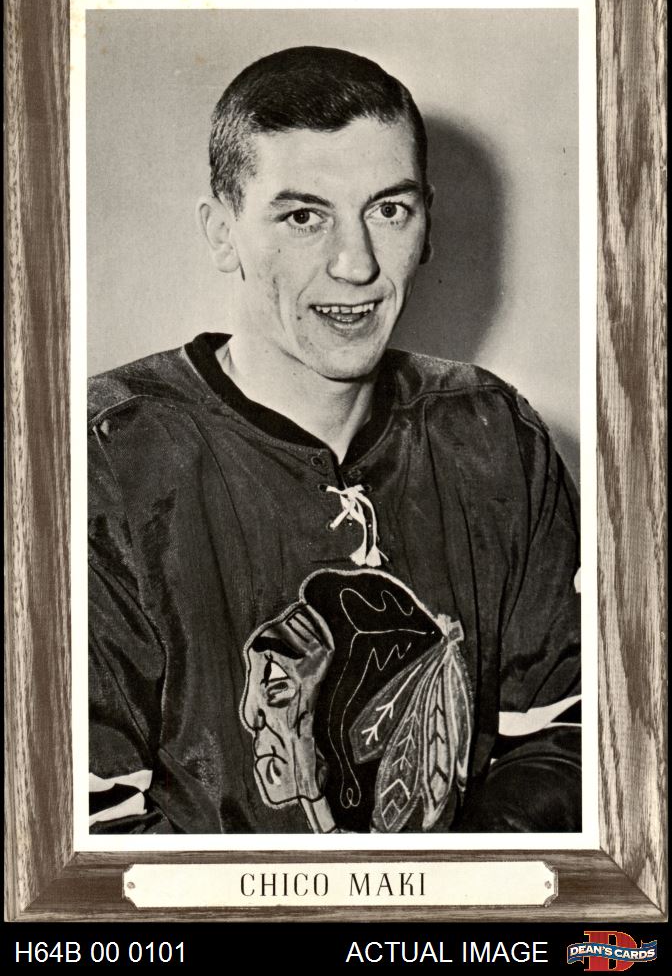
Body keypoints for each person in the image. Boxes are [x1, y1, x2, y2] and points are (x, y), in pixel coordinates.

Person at [88, 46, 581, 835]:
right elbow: (89, 835)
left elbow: (565, 741)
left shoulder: (494, 435)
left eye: (388, 210)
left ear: (427, 224)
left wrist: (430, 896)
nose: (355, 265)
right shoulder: (109, 459)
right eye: (302, 217)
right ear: (222, 233)